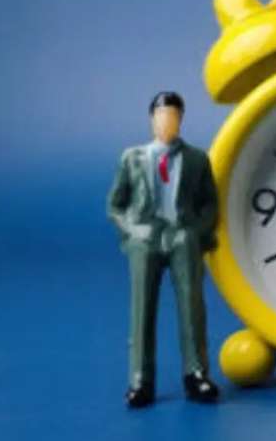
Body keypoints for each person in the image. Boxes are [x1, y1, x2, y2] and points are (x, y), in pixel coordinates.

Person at [107, 91, 220, 407]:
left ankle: (196, 374)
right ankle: (140, 380)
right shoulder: (132, 158)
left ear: (180, 120)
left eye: (172, 116)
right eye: (160, 116)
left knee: (192, 305)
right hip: (146, 238)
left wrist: (195, 232)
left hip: (182, 236)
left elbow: (210, 204)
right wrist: (133, 230)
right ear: (151, 120)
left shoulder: (197, 159)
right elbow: (115, 205)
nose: (166, 122)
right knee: (142, 309)